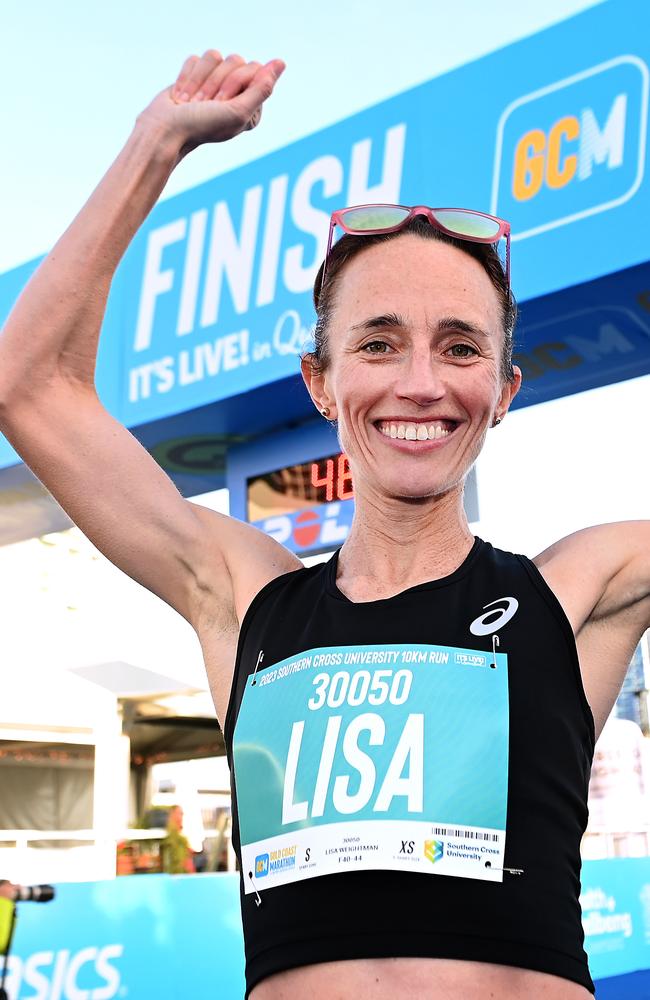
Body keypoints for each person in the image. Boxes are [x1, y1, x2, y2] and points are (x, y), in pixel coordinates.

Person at [0, 49, 648, 1000]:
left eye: (460, 346)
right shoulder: (243, 595)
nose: (419, 383)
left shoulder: (580, 588)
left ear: (504, 390)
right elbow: (30, 386)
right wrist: (157, 144)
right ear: (320, 382)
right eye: (377, 343)